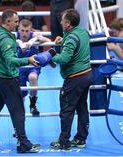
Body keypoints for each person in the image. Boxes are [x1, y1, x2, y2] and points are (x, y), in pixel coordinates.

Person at [0, 9, 40, 153]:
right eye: (16, 21)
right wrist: (28, 60)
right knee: (18, 111)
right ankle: (24, 144)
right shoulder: (7, 38)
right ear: (8, 22)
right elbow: (11, 60)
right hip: (7, 79)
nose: (17, 23)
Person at [49, 9, 93, 150]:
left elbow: (64, 58)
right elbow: (77, 43)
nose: (60, 22)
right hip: (87, 74)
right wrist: (63, 40)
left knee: (67, 109)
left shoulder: (71, 38)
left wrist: (51, 55)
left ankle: (64, 141)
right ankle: (81, 139)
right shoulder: (83, 32)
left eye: (62, 20)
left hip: (75, 77)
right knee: (81, 108)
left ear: (67, 23)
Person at [16, 19, 51, 115]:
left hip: (33, 66)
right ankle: (20, 117)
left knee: (33, 77)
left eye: (27, 31)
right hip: (19, 67)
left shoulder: (34, 35)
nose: (24, 33)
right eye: (22, 30)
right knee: (21, 94)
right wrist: (18, 42)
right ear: (19, 29)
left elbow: (49, 41)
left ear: (30, 30)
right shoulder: (15, 36)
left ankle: (32, 104)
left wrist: (36, 39)